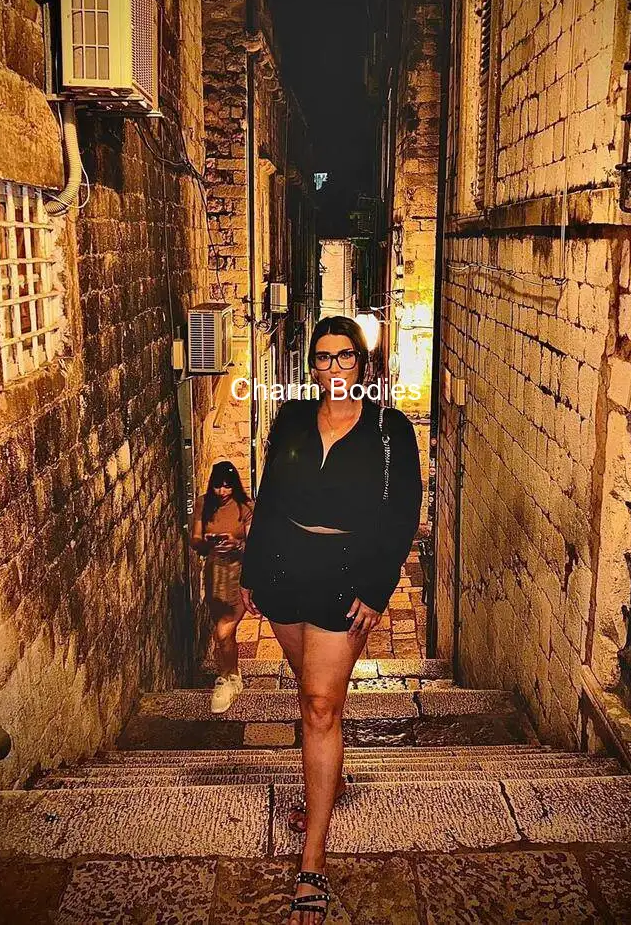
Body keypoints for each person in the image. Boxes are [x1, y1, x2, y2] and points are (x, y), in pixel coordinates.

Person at [240, 316, 422, 924]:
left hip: (346, 578)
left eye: (345, 357)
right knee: (309, 689)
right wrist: (250, 574)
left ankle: (312, 862)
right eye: (323, 357)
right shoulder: (292, 418)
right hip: (284, 570)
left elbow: (403, 514)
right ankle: (330, 781)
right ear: (311, 365)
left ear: (362, 366)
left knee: (321, 705)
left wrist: (378, 587)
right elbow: (269, 497)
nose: (334, 368)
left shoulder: (391, 431)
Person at [191, 461, 253, 713]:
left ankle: (224, 678)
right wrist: (207, 542)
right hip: (214, 575)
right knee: (225, 631)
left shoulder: (245, 507)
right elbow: (194, 539)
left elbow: (255, 544)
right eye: (218, 486)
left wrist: (236, 544)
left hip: (238, 576)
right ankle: (234, 674)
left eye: (227, 486)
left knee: (223, 633)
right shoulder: (203, 503)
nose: (222, 492)